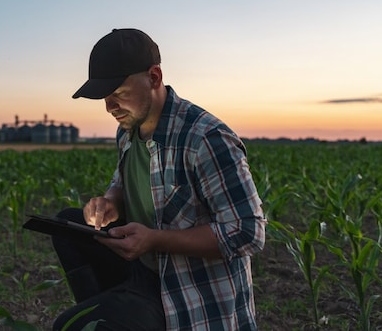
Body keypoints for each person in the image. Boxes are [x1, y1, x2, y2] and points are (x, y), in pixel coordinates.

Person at [51, 28, 267, 331]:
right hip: (142, 270)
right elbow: (123, 182)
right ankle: (116, 309)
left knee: (73, 326)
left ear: (154, 77)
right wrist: (110, 202)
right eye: (105, 98)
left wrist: (155, 240)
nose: (110, 108)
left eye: (120, 94)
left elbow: (248, 231)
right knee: (68, 225)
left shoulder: (204, 138)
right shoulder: (128, 130)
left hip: (186, 289)